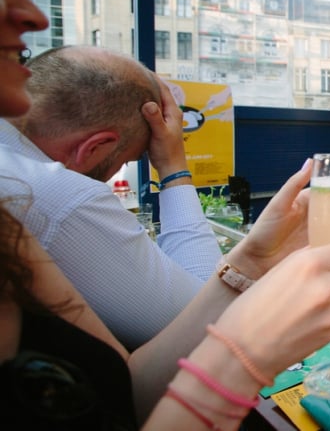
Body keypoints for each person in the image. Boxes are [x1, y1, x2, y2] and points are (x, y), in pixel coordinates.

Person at [0, 0, 330, 430]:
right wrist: (240, 357)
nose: (34, 15)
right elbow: (187, 322)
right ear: (93, 149)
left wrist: (251, 259)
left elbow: (126, 388)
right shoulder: (49, 193)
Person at [0, 45, 222, 348]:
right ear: (94, 148)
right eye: (126, 161)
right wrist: (172, 166)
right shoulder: (61, 196)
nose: (120, 170)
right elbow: (204, 321)